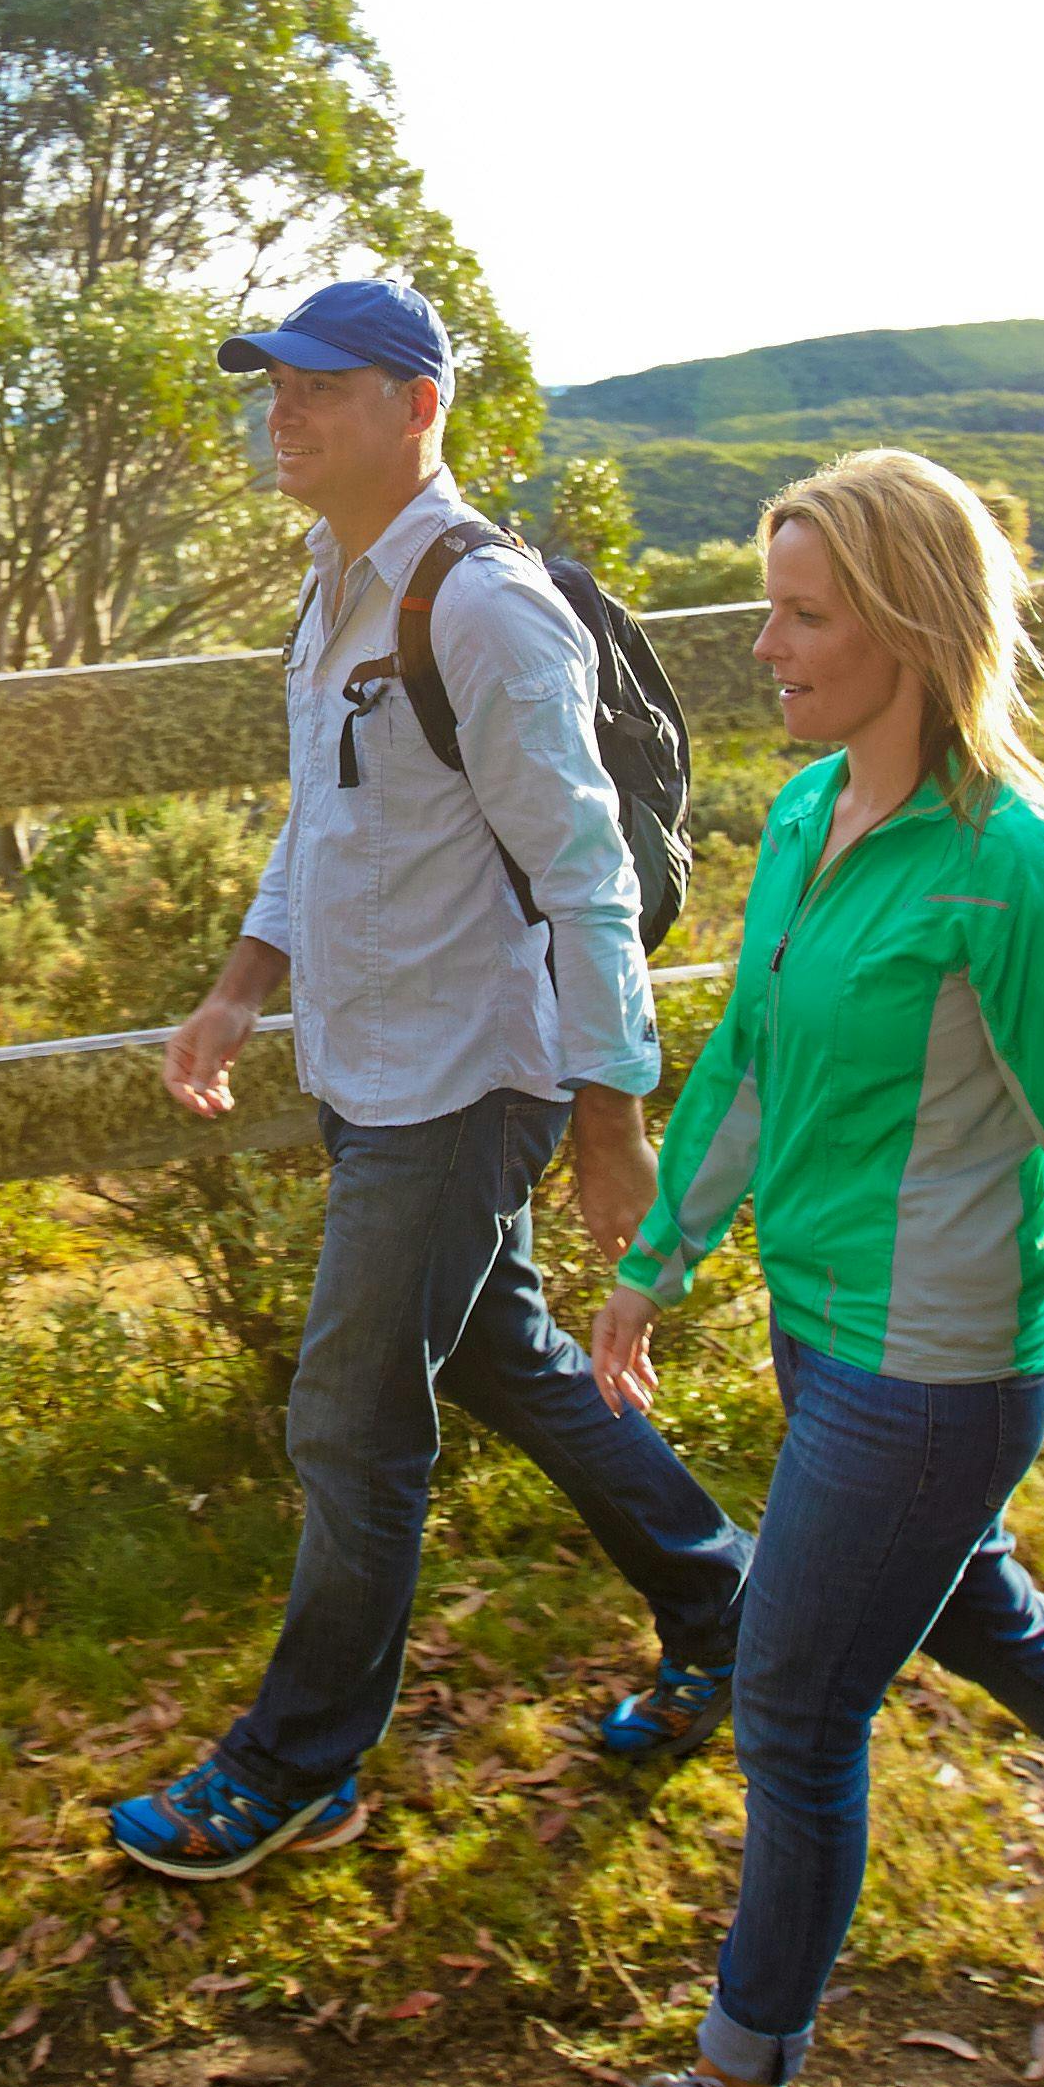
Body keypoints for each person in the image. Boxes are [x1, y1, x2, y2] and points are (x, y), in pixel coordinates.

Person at [526, 447, 1044, 2087]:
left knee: (795, 1704)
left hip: (942, 1372)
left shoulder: (1021, 880)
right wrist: (652, 1259)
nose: (767, 645)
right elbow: (749, 1063)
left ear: (908, 625)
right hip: (829, 1337)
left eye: (804, 614)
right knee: (980, 1612)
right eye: (772, 606)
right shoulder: (810, 818)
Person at [113, 275, 757, 1880]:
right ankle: (727, 1607)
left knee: (350, 1420)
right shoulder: (337, 591)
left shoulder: (480, 606)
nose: (286, 411)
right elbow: (333, 824)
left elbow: (587, 876)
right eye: (275, 385)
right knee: (507, 1364)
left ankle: (298, 1762)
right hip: (370, 1063)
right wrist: (238, 986)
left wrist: (609, 1121)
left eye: (323, 386)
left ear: (420, 406)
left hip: (472, 1080)